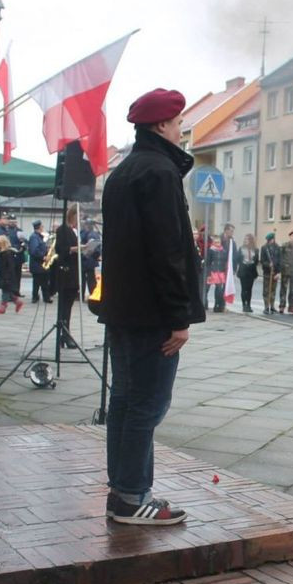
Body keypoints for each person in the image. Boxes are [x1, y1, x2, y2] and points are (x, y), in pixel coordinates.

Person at [98, 87, 202, 526]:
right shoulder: (159, 173)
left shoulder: (124, 171)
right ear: (161, 125)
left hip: (123, 310)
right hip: (152, 315)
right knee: (147, 405)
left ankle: (122, 490)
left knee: (124, 400)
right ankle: (131, 495)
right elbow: (167, 251)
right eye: (178, 123)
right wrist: (178, 317)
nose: (182, 130)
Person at [54, 206, 82, 348]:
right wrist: (75, 249)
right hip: (65, 272)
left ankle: (65, 334)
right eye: (78, 216)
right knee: (64, 306)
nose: (80, 219)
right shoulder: (63, 229)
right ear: (72, 215)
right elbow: (60, 249)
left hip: (73, 272)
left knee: (68, 306)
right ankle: (64, 334)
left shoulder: (73, 230)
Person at [0, 235, 24, 314]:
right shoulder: (3, 253)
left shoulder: (7, 253)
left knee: (5, 292)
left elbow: (9, 267)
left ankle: (3, 307)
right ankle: (17, 301)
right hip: (5, 276)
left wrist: (6, 277)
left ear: (2, 243)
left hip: (7, 277)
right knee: (7, 292)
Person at [27, 219, 52, 303]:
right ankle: (35, 297)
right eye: (42, 226)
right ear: (39, 227)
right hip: (37, 264)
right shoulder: (34, 237)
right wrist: (43, 257)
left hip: (41, 264)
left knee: (44, 281)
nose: (43, 227)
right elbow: (34, 250)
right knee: (37, 282)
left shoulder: (39, 236)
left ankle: (46, 297)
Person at [259, 231, 281, 314]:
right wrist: (268, 264)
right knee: (266, 290)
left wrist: (278, 272)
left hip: (275, 272)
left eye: (273, 239)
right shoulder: (264, 248)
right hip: (267, 272)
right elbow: (262, 260)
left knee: (273, 290)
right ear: (268, 240)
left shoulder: (277, 248)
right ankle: (266, 306)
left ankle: (272, 306)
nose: (272, 241)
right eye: (271, 240)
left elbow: (279, 260)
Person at [237, 233, 259, 312]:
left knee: (249, 289)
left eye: (247, 239)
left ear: (251, 240)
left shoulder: (255, 249)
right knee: (244, 288)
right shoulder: (241, 248)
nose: (246, 241)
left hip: (251, 270)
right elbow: (238, 259)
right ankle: (244, 305)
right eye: (245, 239)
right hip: (243, 269)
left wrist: (252, 264)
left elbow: (256, 261)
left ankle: (248, 305)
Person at [205, 234, 227, 312]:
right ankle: (204, 304)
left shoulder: (223, 251)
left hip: (220, 272)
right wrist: (208, 274)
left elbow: (225, 262)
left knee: (219, 290)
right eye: (216, 242)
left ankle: (217, 305)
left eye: (219, 242)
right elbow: (207, 263)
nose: (217, 244)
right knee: (206, 289)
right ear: (213, 242)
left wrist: (225, 271)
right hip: (212, 271)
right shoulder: (210, 250)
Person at [80, 221, 102, 298]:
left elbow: (91, 247)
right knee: (90, 278)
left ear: (87, 226)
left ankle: (89, 294)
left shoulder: (91, 235)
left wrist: (83, 256)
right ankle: (92, 294)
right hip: (91, 260)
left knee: (88, 279)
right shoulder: (94, 234)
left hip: (87, 260)